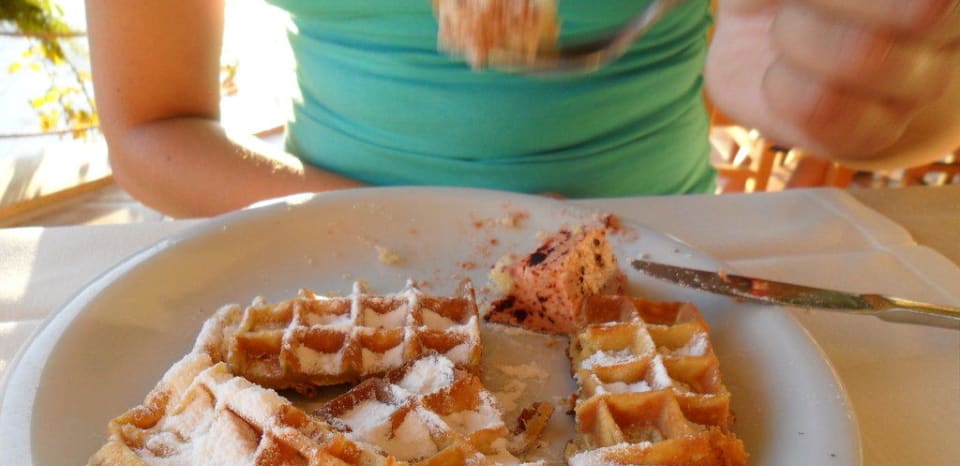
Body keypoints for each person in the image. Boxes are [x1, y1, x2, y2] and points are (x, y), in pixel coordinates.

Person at [85, 0, 960, 218]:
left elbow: (927, 118)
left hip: (664, 250)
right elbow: (150, 132)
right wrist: (422, 221)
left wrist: (890, 89)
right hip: (334, 249)